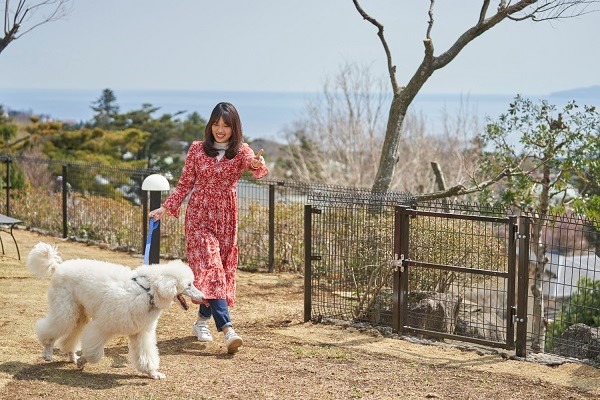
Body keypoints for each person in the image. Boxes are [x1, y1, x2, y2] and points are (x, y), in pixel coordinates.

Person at [148, 102, 268, 354]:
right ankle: (228, 330)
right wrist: (166, 208)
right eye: (216, 124)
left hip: (226, 218)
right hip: (199, 217)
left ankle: (202, 320)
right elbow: (184, 184)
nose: (220, 130)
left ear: (234, 127)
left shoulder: (242, 152)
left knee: (218, 273)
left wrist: (257, 164)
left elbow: (256, 169)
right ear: (210, 125)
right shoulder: (196, 150)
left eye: (225, 125)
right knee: (212, 268)